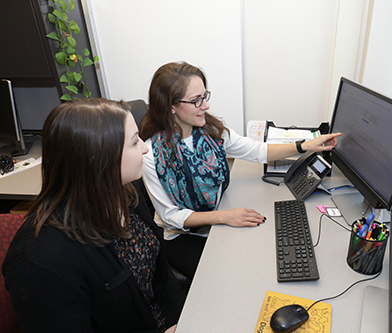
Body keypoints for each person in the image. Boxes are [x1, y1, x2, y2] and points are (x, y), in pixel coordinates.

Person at [140, 61, 343, 281]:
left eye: (204, 96)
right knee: (231, 279)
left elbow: (256, 151)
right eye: (196, 100)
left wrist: (304, 146)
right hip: (183, 236)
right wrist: (225, 216)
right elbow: (170, 217)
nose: (206, 106)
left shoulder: (211, 131)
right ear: (171, 106)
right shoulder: (151, 154)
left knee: (261, 257)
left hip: (218, 215)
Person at [2, 98, 185, 333]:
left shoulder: (126, 194)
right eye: (133, 142)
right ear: (97, 157)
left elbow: (161, 281)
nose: (145, 147)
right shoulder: (41, 261)